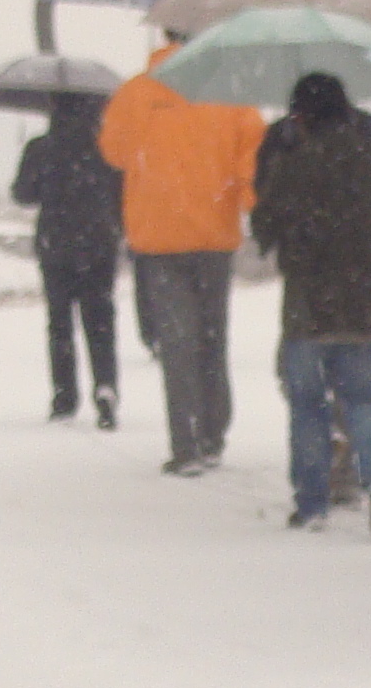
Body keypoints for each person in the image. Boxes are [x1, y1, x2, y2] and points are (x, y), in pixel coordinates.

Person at [251, 70, 371, 540]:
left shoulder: (291, 157)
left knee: (307, 404)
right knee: (364, 398)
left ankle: (311, 501)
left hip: (308, 304)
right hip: (364, 300)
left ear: (301, 114)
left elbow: (264, 224)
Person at [98, 34, 264, 475]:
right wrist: (257, 211)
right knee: (213, 339)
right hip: (214, 235)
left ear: (165, 36)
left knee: (177, 343)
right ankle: (213, 434)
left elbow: (113, 152)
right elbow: (252, 164)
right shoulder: (232, 94)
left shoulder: (136, 91)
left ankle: (187, 443)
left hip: (157, 237)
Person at [10, 85, 125, 426]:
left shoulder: (41, 147)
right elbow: (122, 192)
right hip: (100, 242)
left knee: (60, 322)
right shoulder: (108, 146)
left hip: (55, 243)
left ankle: (64, 396)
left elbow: (22, 194)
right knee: (100, 319)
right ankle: (105, 386)